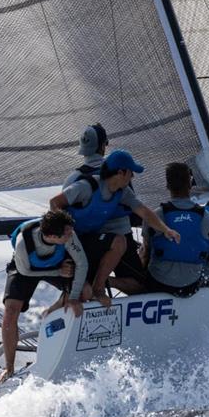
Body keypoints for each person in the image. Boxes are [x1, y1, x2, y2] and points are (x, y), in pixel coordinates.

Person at [50, 149, 180, 305]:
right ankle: (54, 311)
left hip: (90, 241)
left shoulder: (122, 192)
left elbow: (143, 210)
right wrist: (63, 232)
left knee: (120, 242)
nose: (132, 176)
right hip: (71, 242)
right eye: (131, 172)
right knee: (82, 292)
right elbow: (55, 203)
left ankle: (99, 288)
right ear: (121, 172)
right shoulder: (86, 186)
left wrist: (166, 230)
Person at [0, 210, 90, 386]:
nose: (72, 235)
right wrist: (58, 272)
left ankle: (53, 310)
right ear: (53, 236)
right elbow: (26, 272)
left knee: (85, 291)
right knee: (11, 311)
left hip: (57, 264)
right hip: (26, 268)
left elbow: (82, 263)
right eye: (67, 234)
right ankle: (8, 368)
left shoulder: (69, 236)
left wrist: (73, 298)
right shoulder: (24, 242)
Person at [64, 125, 144, 293]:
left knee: (82, 288)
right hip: (121, 239)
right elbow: (133, 213)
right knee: (140, 285)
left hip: (89, 243)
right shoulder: (120, 173)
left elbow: (63, 215)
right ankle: (108, 281)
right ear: (103, 146)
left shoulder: (72, 179)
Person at [138, 162, 209, 297]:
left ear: (167, 185)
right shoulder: (207, 217)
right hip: (190, 285)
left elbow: (146, 253)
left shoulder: (155, 216)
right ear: (190, 185)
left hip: (159, 283)